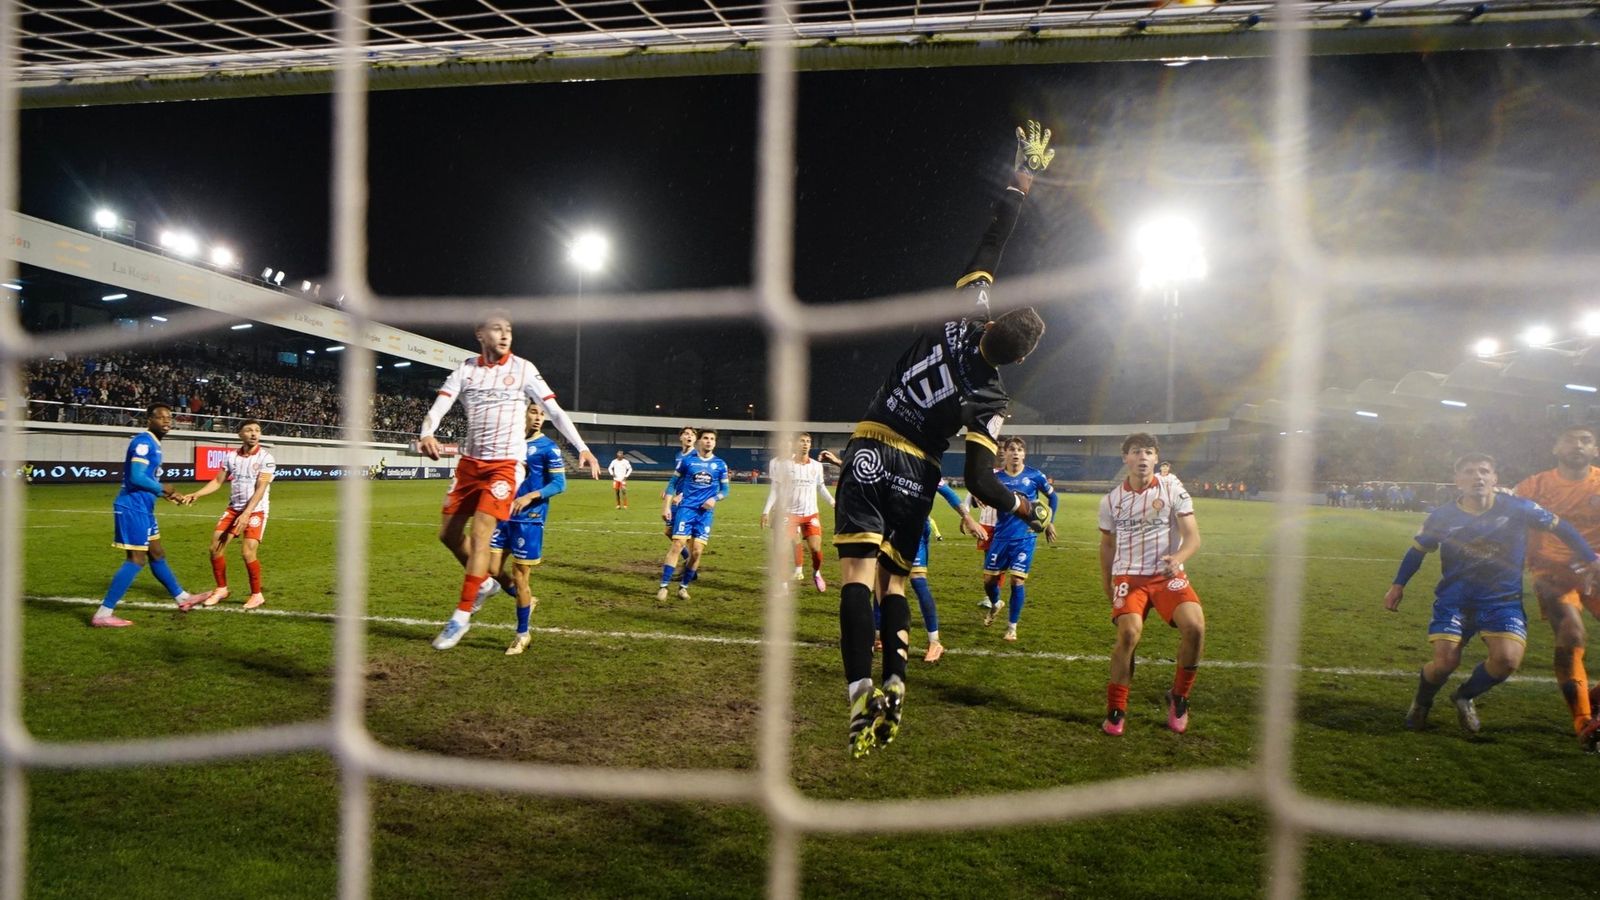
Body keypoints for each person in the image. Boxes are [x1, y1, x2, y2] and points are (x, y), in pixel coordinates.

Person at [832, 121, 1054, 758]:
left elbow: (993, 239)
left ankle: (856, 693)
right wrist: (1025, 509)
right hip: (918, 474)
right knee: (894, 585)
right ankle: (897, 681)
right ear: (1015, 358)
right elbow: (982, 483)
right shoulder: (992, 400)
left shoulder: (966, 309)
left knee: (856, 576)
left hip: (874, 445)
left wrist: (1021, 184)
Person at [418, 310, 599, 651]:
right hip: (470, 464)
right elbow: (440, 405)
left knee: (482, 533)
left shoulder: (523, 369)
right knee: (447, 534)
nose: (504, 335)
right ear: (479, 334)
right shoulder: (466, 370)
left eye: (509, 331)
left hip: (505, 465)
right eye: (497, 329)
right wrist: (427, 432)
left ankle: (461, 615)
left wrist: (583, 448)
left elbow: (556, 411)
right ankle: (485, 583)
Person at [1385, 453, 1599, 735]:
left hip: (1502, 601)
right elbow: (1417, 551)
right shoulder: (1443, 517)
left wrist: (1591, 559)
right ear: (1457, 480)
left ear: (1494, 478)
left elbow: (1563, 528)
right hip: (1456, 601)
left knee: (1507, 660)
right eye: (1470, 472)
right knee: (1445, 663)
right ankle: (1422, 702)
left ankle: (1464, 695)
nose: (1479, 477)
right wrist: (1398, 584)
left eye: (1485, 471)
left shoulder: (1519, 507)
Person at [1098, 433, 1205, 735]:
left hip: (1166, 575)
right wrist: (1108, 584)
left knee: (1195, 627)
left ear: (1156, 458)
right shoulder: (1111, 501)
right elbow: (1107, 546)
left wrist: (1178, 557)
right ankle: (1117, 709)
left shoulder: (1173, 489)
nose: (1142, 457)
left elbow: (1192, 536)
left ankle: (1179, 697)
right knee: (1129, 634)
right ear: (1125, 458)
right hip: (1129, 577)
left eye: (1148, 452)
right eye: (1135, 451)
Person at [1514, 425, 1600, 747]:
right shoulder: (1534, 486)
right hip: (1551, 573)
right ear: (1555, 448)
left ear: (1595, 450)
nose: (1577, 445)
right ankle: (1583, 722)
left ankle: (1590, 700)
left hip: (1595, 570)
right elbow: (1509, 524)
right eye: (1569, 439)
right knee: (1572, 633)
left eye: (1586, 440)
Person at [91, 403, 213, 626]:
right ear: (149, 420)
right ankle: (103, 613)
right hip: (132, 507)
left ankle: (182, 598)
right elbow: (136, 477)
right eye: (161, 417)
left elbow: (146, 479)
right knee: (136, 560)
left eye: (169, 417)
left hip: (144, 508)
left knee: (156, 553)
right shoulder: (143, 442)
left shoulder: (154, 444)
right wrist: (163, 489)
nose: (167, 420)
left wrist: (168, 494)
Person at [486, 405, 566, 656]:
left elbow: (559, 484)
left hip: (529, 518)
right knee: (491, 567)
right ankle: (526, 601)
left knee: (520, 576)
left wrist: (531, 496)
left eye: (542, 414)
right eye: (533, 412)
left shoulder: (548, 447)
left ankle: (522, 634)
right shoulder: (509, 443)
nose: (538, 417)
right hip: (504, 515)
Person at [180, 418, 276, 610]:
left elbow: (261, 488)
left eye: (257, 430)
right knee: (215, 548)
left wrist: (247, 513)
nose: (254, 434)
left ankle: (257, 595)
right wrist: (196, 494)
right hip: (234, 509)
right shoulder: (231, 457)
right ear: (239, 434)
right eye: (249, 430)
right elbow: (217, 481)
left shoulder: (266, 458)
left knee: (247, 551)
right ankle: (222, 589)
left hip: (256, 510)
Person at [978, 437, 1058, 641]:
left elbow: (1053, 497)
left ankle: (1012, 627)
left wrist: (1049, 521)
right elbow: (984, 494)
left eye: (1020, 449)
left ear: (1024, 454)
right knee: (989, 581)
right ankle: (996, 604)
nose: (1015, 452)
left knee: (1017, 581)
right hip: (1001, 535)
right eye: (1012, 449)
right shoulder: (996, 478)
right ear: (1005, 453)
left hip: (1025, 537)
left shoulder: (1034, 475)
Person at [911, 479, 984, 663]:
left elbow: (948, 493)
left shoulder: (925, 465)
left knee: (917, 579)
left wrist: (967, 517)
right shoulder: (890, 459)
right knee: (883, 581)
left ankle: (934, 642)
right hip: (887, 527)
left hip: (915, 528)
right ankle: (879, 635)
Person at [659, 428, 730, 600]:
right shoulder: (687, 461)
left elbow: (726, 490)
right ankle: (664, 586)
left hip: (705, 513)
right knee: (677, 544)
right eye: (705, 438)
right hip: (686, 509)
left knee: (697, 552)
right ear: (700, 441)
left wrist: (715, 498)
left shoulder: (720, 464)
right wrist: (666, 506)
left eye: (712, 439)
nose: (708, 441)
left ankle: (683, 587)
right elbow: (672, 483)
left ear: (715, 442)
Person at [761, 433, 837, 592]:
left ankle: (816, 573)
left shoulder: (816, 466)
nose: (805, 444)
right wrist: (766, 511)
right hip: (789, 515)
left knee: (816, 549)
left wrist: (832, 502)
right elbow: (775, 489)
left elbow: (820, 487)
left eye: (808, 441)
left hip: (811, 514)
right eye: (802, 441)